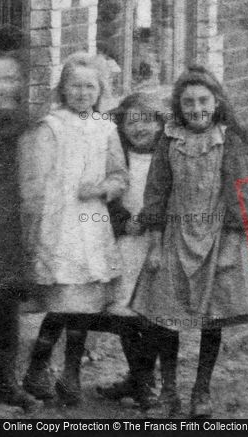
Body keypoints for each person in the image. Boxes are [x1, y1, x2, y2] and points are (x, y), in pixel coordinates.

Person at [131, 65, 248, 418]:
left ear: (216, 101)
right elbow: (155, 194)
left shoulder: (229, 140)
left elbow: (242, 194)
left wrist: (232, 247)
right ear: (179, 106)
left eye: (203, 100)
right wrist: (155, 244)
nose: (196, 109)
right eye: (188, 102)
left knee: (211, 318)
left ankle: (201, 389)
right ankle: (169, 391)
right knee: (165, 316)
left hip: (216, 239)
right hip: (175, 235)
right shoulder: (169, 139)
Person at [19, 52, 128, 406]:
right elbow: (34, 181)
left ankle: (70, 374)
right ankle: (38, 369)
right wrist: (36, 226)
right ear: (63, 89)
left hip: (91, 223)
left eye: (89, 86)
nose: (82, 93)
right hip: (58, 223)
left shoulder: (106, 128)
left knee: (81, 305)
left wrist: (101, 189)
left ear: (100, 91)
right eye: (75, 86)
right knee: (64, 302)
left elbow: (119, 175)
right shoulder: (50, 126)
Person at [94, 92, 167, 410]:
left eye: (148, 120)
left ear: (160, 123)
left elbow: (173, 198)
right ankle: (140, 378)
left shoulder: (167, 156)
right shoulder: (116, 156)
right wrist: (124, 224)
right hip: (125, 243)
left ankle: (144, 380)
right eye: (131, 121)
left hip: (156, 244)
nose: (140, 128)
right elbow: (105, 199)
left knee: (150, 313)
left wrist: (153, 223)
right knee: (123, 310)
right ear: (121, 124)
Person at [0, 24, 41, 412]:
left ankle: (6, 382)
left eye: (10, 78)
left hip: (9, 232)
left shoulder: (25, 126)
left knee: (6, 307)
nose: (3, 87)